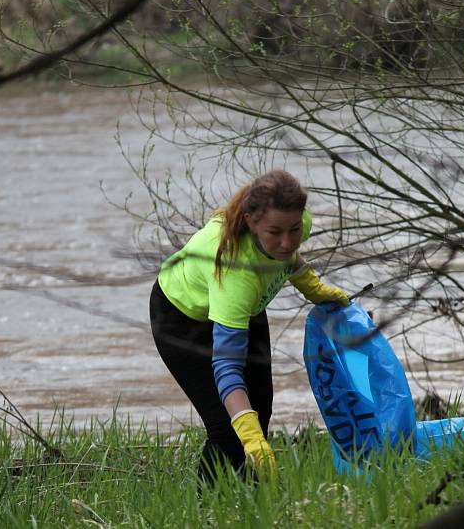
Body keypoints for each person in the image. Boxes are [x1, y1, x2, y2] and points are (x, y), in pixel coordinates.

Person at [149, 170, 349, 482]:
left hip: (244, 307)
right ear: (252, 222)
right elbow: (227, 368)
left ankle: (251, 502)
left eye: (293, 229)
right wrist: (251, 439)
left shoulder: (294, 223)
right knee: (229, 430)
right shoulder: (234, 275)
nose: (286, 241)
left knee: (260, 412)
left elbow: (287, 254)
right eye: (275, 232)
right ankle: (206, 512)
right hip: (181, 318)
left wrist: (313, 287)